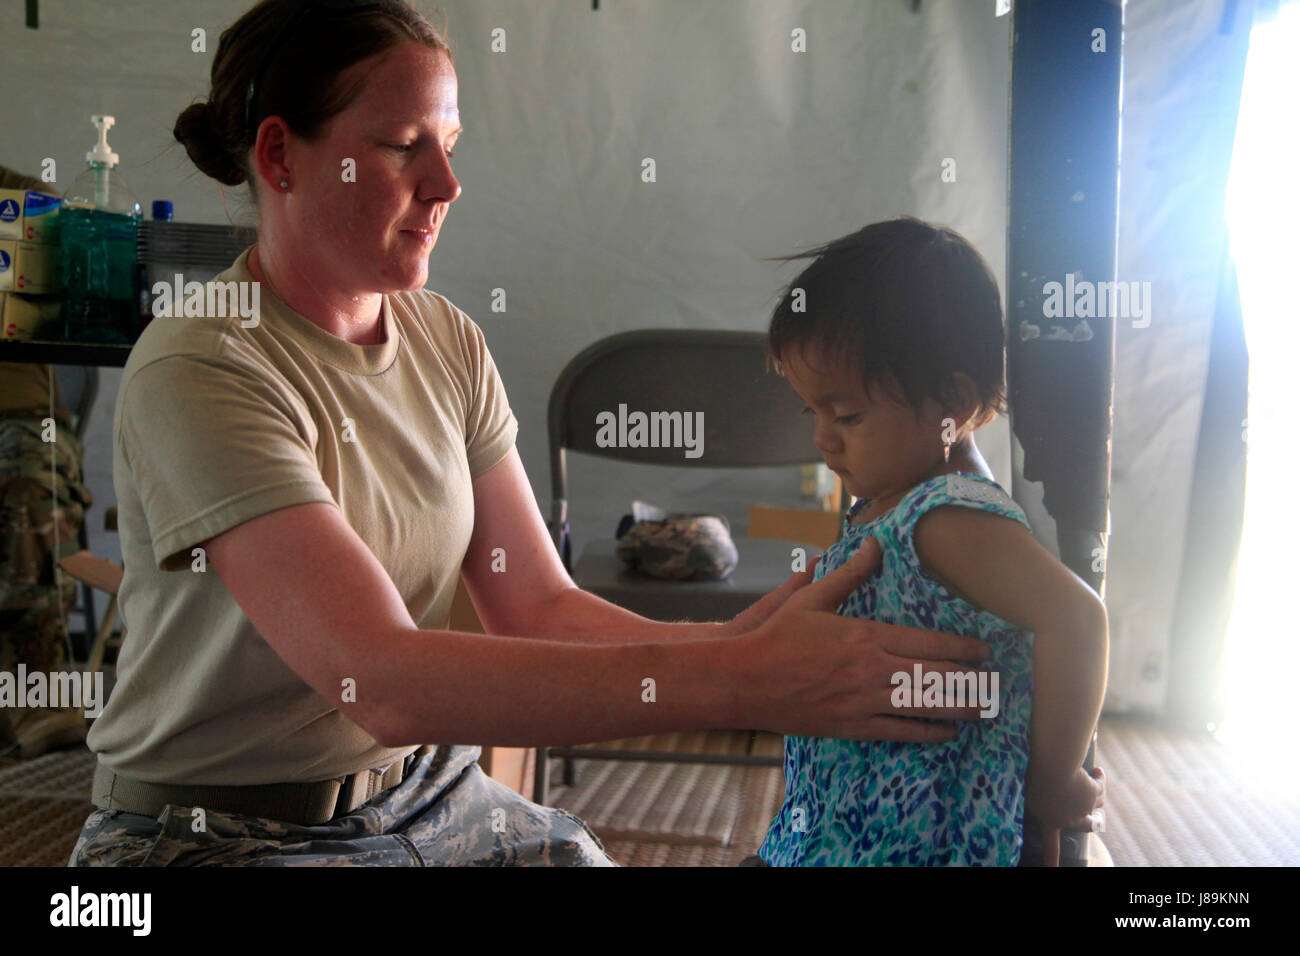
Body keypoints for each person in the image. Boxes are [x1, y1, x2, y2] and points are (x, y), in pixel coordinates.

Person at [67, 0, 1075, 868]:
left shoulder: (444, 340)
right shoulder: (206, 363)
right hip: (217, 833)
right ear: (281, 155)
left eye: (450, 147)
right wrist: (742, 674)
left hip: (419, 795)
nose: (446, 186)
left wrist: (732, 638)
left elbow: (538, 602)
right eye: (400, 145)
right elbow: (378, 675)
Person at [751, 218, 1107, 866]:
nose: (824, 440)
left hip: (927, 840)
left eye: (848, 415)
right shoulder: (892, 505)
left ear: (954, 403)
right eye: (814, 413)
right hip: (854, 826)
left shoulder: (948, 518)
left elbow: (1077, 617)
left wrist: (1050, 780)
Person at [0, 164, 93, 760]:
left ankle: (36, 690)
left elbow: (47, 210)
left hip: (21, 424)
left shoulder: (12, 199)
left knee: (28, 479)